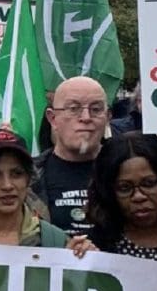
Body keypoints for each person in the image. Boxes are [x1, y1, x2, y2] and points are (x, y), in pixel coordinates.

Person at [68, 132, 157, 263]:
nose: (138, 196)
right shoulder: (95, 246)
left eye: (149, 184)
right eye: (124, 188)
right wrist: (75, 264)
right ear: (109, 192)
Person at [32, 76, 106, 235]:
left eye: (96, 109)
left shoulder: (125, 170)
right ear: (53, 118)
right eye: (73, 109)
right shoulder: (27, 178)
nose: (86, 118)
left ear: (107, 117)